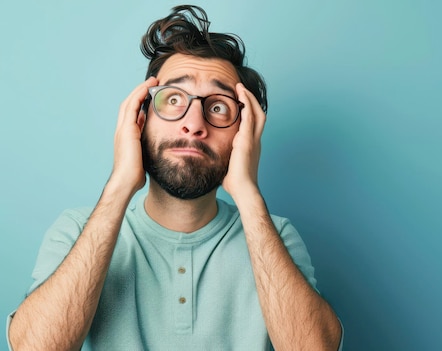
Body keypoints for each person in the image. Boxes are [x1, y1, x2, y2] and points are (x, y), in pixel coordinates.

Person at [7, 5, 342, 351]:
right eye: (173, 99)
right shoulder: (77, 231)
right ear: (139, 118)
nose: (194, 124)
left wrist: (248, 194)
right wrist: (120, 184)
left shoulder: (277, 236)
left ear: (244, 133)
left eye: (217, 107)